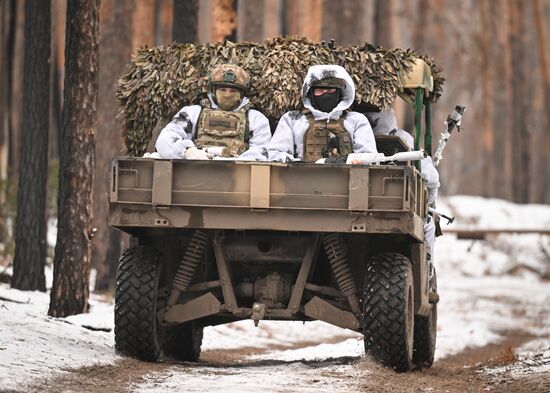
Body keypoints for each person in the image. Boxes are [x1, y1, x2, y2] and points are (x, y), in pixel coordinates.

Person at [367, 109, 440, 302]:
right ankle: (428, 272)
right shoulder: (402, 138)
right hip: (394, 206)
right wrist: (430, 199)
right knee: (428, 225)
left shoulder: (347, 125)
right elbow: (430, 178)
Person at [155, 64, 271, 161]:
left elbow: (261, 153)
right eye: (222, 89)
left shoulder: (256, 119)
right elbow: (164, 141)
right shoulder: (192, 113)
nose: (227, 94)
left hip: (237, 175)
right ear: (213, 91)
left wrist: (229, 161)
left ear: (241, 94)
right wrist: (187, 151)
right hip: (194, 171)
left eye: (233, 90)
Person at [268, 65, 377, 162]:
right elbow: (276, 154)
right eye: (319, 90)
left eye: (330, 91)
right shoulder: (293, 120)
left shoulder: (356, 120)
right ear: (310, 94)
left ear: (339, 93)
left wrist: (346, 162)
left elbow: (368, 156)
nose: (325, 94)